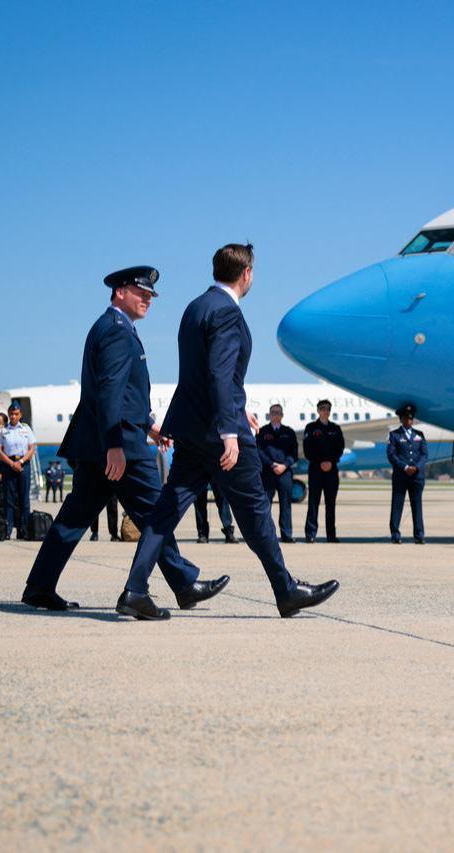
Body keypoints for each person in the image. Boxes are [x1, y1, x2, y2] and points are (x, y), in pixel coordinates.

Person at [122, 243, 338, 620]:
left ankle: (135, 589)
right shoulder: (226, 313)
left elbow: (209, 375)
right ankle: (285, 591)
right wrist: (229, 430)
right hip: (219, 434)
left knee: (166, 511)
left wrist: (241, 410)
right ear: (247, 273)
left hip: (191, 429)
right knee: (255, 511)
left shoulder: (196, 307)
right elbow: (220, 374)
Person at [22, 265, 224, 612]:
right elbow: (109, 392)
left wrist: (148, 425)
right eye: (141, 293)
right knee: (157, 512)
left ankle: (40, 585)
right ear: (119, 292)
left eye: (151, 296)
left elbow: (123, 396)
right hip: (121, 447)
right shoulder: (117, 332)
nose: (148, 299)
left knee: (74, 517)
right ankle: (182, 584)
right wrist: (115, 445)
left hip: (106, 440)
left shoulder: (111, 327)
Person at [303, 399, 344, 543]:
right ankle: (310, 533)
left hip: (331, 471)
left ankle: (331, 535)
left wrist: (330, 462)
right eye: (322, 409)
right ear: (318, 411)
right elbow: (307, 449)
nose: (325, 411)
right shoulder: (311, 428)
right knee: (313, 503)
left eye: (327, 409)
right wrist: (320, 462)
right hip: (316, 470)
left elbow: (340, 448)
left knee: (330, 504)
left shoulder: (335, 429)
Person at [0, 405, 37, 539]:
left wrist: (21, 462)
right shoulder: (2, 431)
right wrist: (12, 463)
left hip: (23, 465)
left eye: (16, 414)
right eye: (11, 414)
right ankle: (8, 529)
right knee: (9, 499)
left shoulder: (26, 429)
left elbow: (32, 449)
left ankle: (24, 530)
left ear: (20, 415)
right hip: (8, 465)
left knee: (24, 499)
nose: (13, 416)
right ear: (8, 414)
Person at [256, 403, 298, 542]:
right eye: (273, 412)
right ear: (270, 415)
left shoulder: (289, 432)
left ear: (282, 415)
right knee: (265, 505)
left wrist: (285, 465)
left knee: (285, 504)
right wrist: (272, 464)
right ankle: (266, 535)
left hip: (285, 473)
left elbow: (294, 453)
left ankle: (286, 534)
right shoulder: (263, 432)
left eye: (278, 413)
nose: (276, 415)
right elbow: (259, 452)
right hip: (268, 472)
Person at [387, 403, 428, 544]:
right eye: (405, 418)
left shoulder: (419, 435)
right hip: (401, 476)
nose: (408, 421)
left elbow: (424, 455)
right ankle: (395, 534)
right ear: (401, 419)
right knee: (397, 505)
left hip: (416, 477)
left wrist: (416, 467)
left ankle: (419, 535)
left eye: (410, 418)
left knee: (417, 506)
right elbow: (391, 455)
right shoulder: (394, 435)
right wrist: (405, 467)